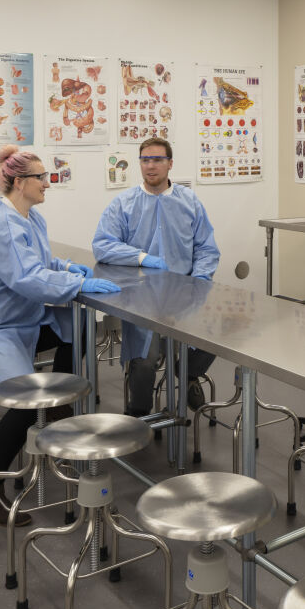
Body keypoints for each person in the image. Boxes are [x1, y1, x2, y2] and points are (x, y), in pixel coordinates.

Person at [0, 145, 121, 525]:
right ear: (19, 182)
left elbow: (41, 262)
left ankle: (60, 406)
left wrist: (69, 268)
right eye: (41, 177)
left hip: (16, 321)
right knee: (24, 399)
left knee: (75, 329)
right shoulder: (0, 223)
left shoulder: (29, 217)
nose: (47, 183)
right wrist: (70, 282)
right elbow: (28, 278)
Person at [93, 137, 220, 416]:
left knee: (216, 336)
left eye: (158, 160)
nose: (151, 166)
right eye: (145, 160)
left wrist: (199, 281)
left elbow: (207, 249)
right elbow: (102, 245)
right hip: (141, 297)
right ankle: (139, 413)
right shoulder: (124, 204)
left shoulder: (189, 201)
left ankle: (186, 374)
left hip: (185, 294)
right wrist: (141, 258)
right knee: (145, 362)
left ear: (170, 164)